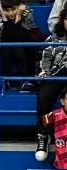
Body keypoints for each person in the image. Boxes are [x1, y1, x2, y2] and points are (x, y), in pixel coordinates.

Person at [34, 9, 67, 161]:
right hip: (57, 76)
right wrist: (44, 74)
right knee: (44, 95)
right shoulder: (53, 38)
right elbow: (44, 61)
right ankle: (44, 135)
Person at [0, 0, 41, 87]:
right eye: (7, 11)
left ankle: (26, 81)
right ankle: (5, 81)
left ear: (19, 7)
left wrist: (19, 14)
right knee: (7, 47)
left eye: (13, 9)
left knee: (17, 47)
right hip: (7, 47)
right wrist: (4, 17)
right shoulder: (0, 14)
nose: (10, 13)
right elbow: (6, 37)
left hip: (26, 45)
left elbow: (20, 36)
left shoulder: (27, 12)